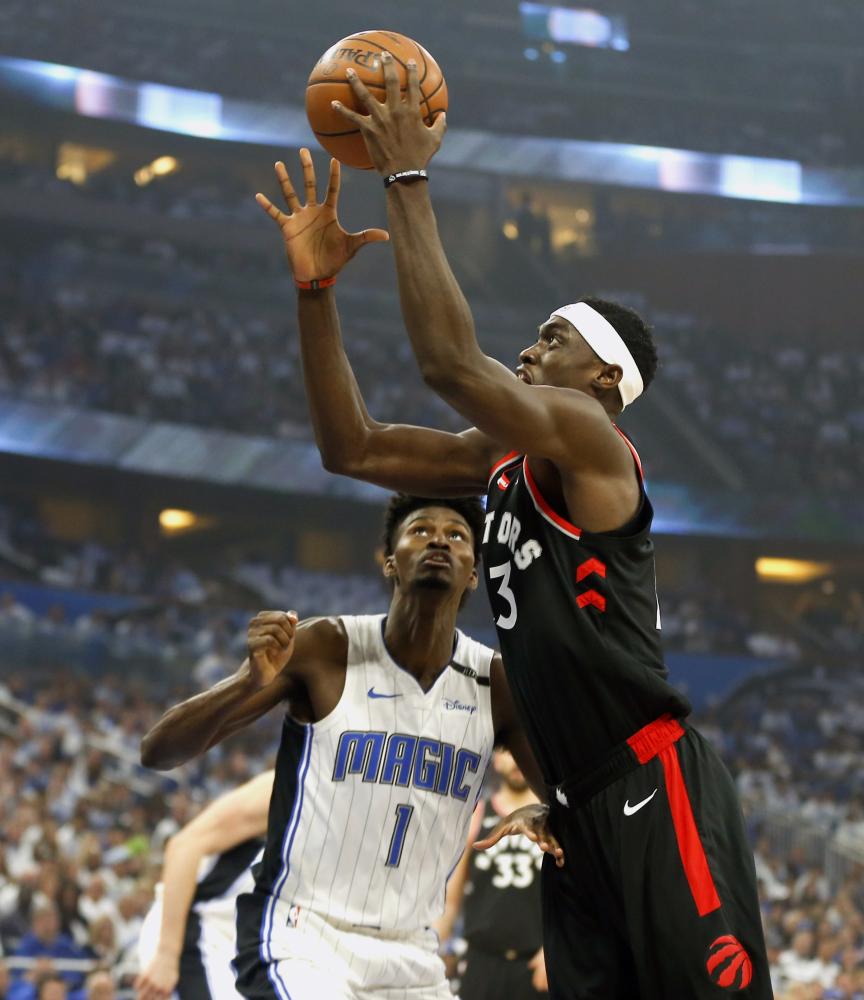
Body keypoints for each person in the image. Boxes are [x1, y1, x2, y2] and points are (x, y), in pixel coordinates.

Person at [252, 53, 771, 998]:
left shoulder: (591, 438)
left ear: (606, 380)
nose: (530, 349)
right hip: (573, 810)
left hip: (651, 786)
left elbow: (452, 364)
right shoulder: (495, 459)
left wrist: (406, 179)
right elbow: (354, 449)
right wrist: (315, 295)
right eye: (531, 335)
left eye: (553, 339)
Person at [140, 494, 560, 1000]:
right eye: (421, 530)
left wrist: (550, 810)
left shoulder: (496, 682)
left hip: (414, 955)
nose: (438, 541)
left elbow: (574, 807)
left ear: (474, 572)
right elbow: (158, 751)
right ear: (390, 560)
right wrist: (247, 682)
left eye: (457, 536)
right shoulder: (324, 647)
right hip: (304, 937)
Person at [135, 771, 273, 1000]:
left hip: (245, 951)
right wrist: (167, 955)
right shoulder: (291, 782)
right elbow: (184, 846)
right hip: (196, 931)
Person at [436, 749, 547, 999]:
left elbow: (579, 897)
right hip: (481, 963)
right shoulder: (477, 814)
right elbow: (450, 902)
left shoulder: (553, 817)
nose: (517, 759)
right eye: (508, 751)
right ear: (495, 759)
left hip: (537, 964)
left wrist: (558, 950)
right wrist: (430, 951)